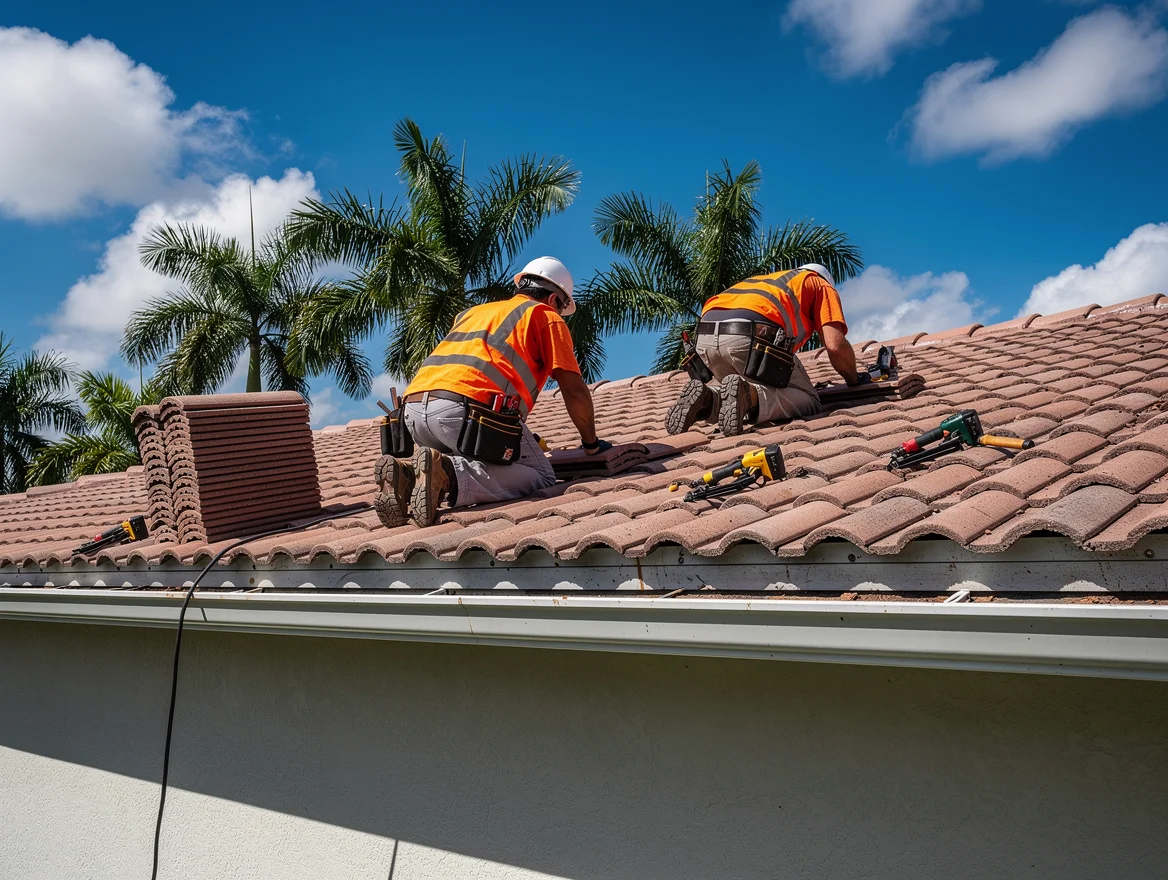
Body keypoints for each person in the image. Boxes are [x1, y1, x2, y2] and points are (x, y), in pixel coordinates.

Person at [375, 257, 610, 528]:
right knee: (541, 475)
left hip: (414, 415)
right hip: (464, 413)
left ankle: (408, 474)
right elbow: (574, 390)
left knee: (470, 458)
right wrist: (591, 445)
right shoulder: (544, 316)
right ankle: (448, 476)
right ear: (554, 300)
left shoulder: (473, 312)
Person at [666, 263, 865, 437]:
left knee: (733, 397)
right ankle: (750, 395)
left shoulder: (768, 281)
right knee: (809, 399)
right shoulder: (818, 282)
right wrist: (854, 380)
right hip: (748, 336)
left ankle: (708, 398)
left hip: (705, 338)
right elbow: (835, 347)